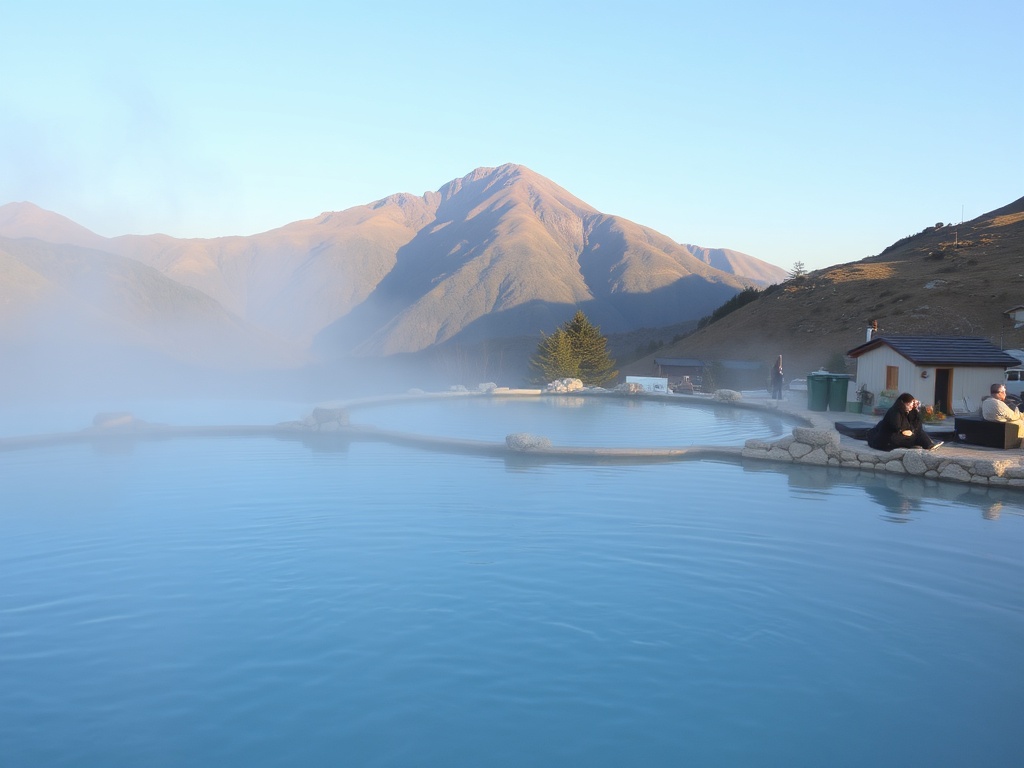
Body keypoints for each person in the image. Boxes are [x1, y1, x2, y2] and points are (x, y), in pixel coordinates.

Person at [866, 392, 942, 451]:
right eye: (910, 403)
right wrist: (904, 430)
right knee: (915, 437)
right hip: (888, 439)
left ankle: (929, 445)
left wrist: (915, 410)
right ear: (904, 403)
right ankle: (927, 445)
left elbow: (917, 424)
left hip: (898, 437)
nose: (912, 406)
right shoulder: (895, 411)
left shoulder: (908, 412)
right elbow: (896, 426)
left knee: (919, 433)